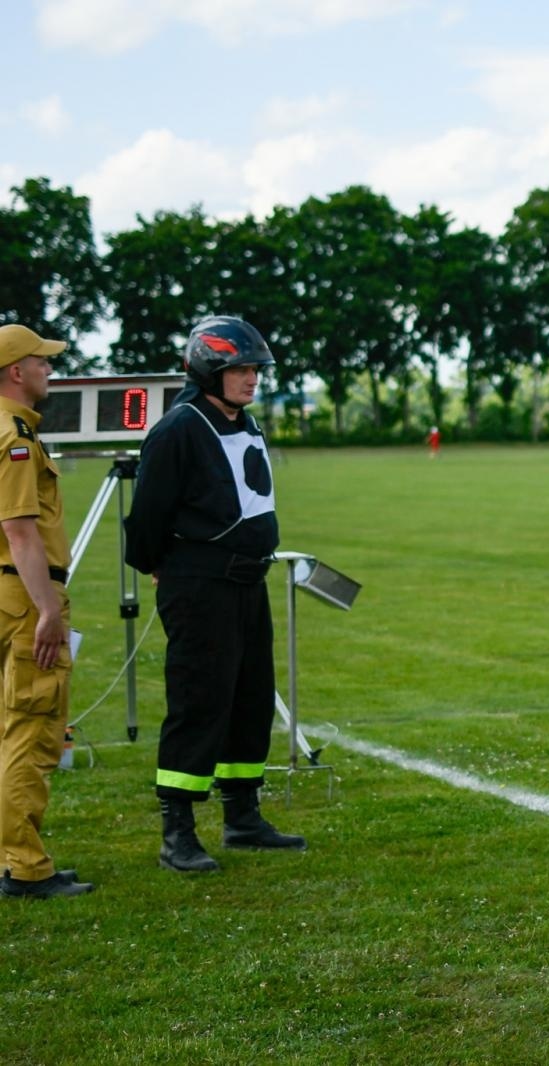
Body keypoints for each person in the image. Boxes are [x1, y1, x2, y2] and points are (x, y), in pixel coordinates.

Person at [125, 315, 305, 874]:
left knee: (250, 699)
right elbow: (147, 518)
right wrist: (165, 567)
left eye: (255, 370)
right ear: (209, 368)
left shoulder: (245, 422)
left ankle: (242, 816)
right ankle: (177, 830)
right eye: (240, 370)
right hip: (201, 588)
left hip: (248, 586)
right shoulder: (178, 429)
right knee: (199, 702)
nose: (251, 379)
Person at [0, 324, 91, 899]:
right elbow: (20, 531)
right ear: (16, 371)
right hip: (19, 593)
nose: (49, 370)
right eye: (42, 362)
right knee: (31, 730)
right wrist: (46, 611)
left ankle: (12, 858)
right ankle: (26, 867)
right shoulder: (13, 437)